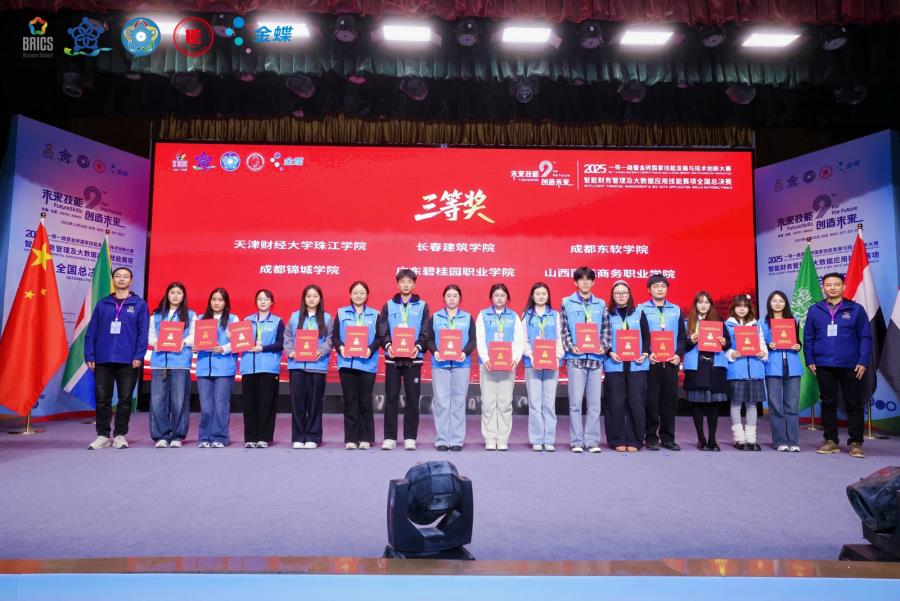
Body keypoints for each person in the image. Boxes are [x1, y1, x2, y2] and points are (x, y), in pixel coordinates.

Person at [804, 272, 873, 458]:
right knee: (828, 403)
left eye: (836, 284)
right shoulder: (815, 310)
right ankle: (830, 440)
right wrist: (810, 359)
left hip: (851, 364)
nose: (832, 287)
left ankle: (856, 442)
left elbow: (865, 337)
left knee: (854, 403)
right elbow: (808, 336)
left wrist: (863, 361)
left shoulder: (856, 309)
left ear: (843, 287)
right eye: (828, 285)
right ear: (823, 288)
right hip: (823, 364)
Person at [85, 266, 149, 450]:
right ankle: (103, 435)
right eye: (118, 276)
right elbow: (92, 331)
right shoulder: (103, 303)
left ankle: (120, 434)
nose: (121, 279)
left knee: (125, 399)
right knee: (102, 399)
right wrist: (89, 354)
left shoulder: (139, 304)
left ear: (131, 280)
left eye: (125, 276)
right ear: (113, 280)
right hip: (103, 358)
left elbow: (143, 333)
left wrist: (139, 355)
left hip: (128, 360)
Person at [559, 267, 611, 453]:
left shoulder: (601, 304)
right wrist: (570, 346)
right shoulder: (566, 302)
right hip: (576, 359)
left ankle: (592, 441)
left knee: (594, 404)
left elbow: (606, 329)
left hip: (596, 360)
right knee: (575, 404)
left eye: (588, 279)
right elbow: (564, 329)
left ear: (593, 282)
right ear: (576, 282)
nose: (585, 282)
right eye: (581, 279)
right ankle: (576, 441)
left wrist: (603, 346)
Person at [378, 269, 430, 451]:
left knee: (413, 399)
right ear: (397, 284)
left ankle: (410, 437)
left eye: (409, 282)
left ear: (414, 284)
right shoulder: (388, 305)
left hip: (414, 359)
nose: (406, 285)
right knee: (391, 398)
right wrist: (388, 346)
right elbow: (382, 329)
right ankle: (389, 437)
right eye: (403, 282)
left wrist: (418, 346)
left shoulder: (423, 306)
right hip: (393, 359)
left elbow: (426, 329)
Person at [425, 284, 477, 452]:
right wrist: (435, 352)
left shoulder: (467, 318)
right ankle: (442, 439)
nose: (452, 298)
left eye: (455, 296)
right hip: (440, 364)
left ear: (460, 298)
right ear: (444, 298)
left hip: (461, 364)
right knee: (441, 402)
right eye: (449, 296)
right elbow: (429, 339)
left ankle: (456, 440)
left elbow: (473, 340)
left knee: (458, 402)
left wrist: (464, 353)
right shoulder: (435, 317)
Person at [332, 280, 382, 450]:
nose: (358, 295)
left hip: (367, 364)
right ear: (350, 294)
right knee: (350, 401)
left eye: (362, 293)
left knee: (365, 401)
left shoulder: (375, 314)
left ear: (367, 295)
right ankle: (351, 439)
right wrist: (341, 348)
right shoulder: (341, 313)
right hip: (346, 363)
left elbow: (380, 337)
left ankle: (366, 438)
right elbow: (335, 337)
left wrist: (370, 349)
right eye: (355, 292)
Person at [638, 274, 686, 451]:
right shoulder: (641, 309)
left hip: (671, 362)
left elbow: (681, 337)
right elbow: (641, 335)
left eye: (663, 286)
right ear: (649, 289)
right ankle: (651, 437)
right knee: (651, 402)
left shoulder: (676, 309)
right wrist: (648, 352)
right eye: (656, 286)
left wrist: (678, 355)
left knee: (669, 402)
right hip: (651, 363)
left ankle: (668, 438)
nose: (660, 289)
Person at [475, 283, 525, 451]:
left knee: (505, 403)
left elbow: (519, 340)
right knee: (488, 403)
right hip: (488, 365)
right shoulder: (483, 315)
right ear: (491, 298)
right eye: (496, 295)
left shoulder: (514, 316)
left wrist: (515, 359)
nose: (499, 298)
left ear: (507, 298)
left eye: (502, 295)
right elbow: (480, 338)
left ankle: (502, 438)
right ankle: (490, 438)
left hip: (507, 366)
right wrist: (485, 358)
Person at [284, 284, 333, 449]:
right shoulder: (295, 316)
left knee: (314, 404)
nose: (311, 299)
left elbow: (330, 339)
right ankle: (298, 437)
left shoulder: (327, 318)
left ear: (320, 299)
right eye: (308, 296)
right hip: (297, 366)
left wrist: (322, 351)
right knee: (297, 403)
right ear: (304, 299)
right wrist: (290, 351)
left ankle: (313, 436)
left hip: (317, 366)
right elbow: (287, 337)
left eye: (315, 296)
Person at [603, 280, 650, 452]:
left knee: (636, 403)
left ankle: (635, 439)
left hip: (637, 365)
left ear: (629, 294)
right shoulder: (607, 314)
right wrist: (609, 352)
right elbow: (602, 336)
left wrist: (645, 353)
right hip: (614, 364)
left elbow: (646, 336)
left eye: (624, 292)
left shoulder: (639, 313)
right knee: (615, 403)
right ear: (612, 296)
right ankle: (616, 439)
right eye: (617, 293)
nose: (621, 295)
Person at [148, 281, 195, 448]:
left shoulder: (190, 315)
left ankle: (177, 436)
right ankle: (161, 436)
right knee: (157, 401)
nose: (175, 296)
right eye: (172, 293)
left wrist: (183, 342)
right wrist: (156, 343)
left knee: (179, 400)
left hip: (180, 362)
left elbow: (193, 336)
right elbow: (150, 336)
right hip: (159, 362)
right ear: (167, 295)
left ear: (184, 296)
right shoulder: (156, 316)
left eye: (179, 293)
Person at [683, 291, 730, 452]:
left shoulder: (719, 321)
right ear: (695, 304)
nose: (703, 305)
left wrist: (724, 341)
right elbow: (682, 345)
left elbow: (728, 344)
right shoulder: (687, 322)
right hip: (696, 366)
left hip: (714, 366)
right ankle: (701, 439)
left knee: (713, 405)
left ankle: (712, 439)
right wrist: (690, 340)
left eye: (706, 302)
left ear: (711, 305)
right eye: (700, 302)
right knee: (697, 404)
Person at [194, 287, 239, 448]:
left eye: (220, 300)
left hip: (224, 368)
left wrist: (224, 348)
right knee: (206, 407)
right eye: (214, 299)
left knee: (221, 405)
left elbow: (239, 342)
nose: (217, 302)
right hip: (203, 368)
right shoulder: (200, 319)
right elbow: (194, 340)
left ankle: (220, 437)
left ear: (226, 303)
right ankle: (204, 437)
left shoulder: (233, 319)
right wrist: (194, 347)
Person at [522, 282, 564, 452]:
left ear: (548, 296)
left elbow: (560, 339)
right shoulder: (526, 316)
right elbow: (523, 340)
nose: (541, 296)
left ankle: (549, 439)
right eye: (537, 294)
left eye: (544, 294)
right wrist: (531, 355)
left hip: (552, 364)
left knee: (549, 404)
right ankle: (537, 439)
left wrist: (557, 356)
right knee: (535, 403)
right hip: (532, 364)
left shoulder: (555, 315)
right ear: (532, 296)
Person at [240, 289, 285, 448]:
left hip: (268, 368)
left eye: (266, 299)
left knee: (267, 404)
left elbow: (281, 344)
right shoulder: (247, 321)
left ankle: (263, 438)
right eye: (260, 299)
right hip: (249, 367)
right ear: (256, 301)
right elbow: (240, 342)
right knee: (249, 404)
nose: (263, 301)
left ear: (271, 302)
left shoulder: (277, 321)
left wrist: (263, 348)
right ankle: (250, 438)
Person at [724, 294, 768, 451]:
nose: (742, 309)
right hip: (736, 369)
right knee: (736, 405)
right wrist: (731, 353)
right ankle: (739, 439)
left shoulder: (756, 324)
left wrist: (763, 353)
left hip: (755, 369)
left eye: (745, 306)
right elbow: (723, 347)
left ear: (749, 308)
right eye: (738, 306)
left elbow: (762, 344)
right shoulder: (727, 325)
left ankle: (751, 439)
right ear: (733, 308)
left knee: (752, 405)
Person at [761, 290, 803, 452]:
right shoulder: (762, 322)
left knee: (792, 405)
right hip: (772, 366)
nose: (777, 303)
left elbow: (798, 342)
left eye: (781, 301)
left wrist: (798, 346)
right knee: (775, 406)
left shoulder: (794, 320)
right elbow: (760, 345)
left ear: (786, 303)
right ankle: (779, 440)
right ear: (769, 303)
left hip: (793, 366)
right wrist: (768, 346)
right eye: (774, 300)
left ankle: (793, 440)